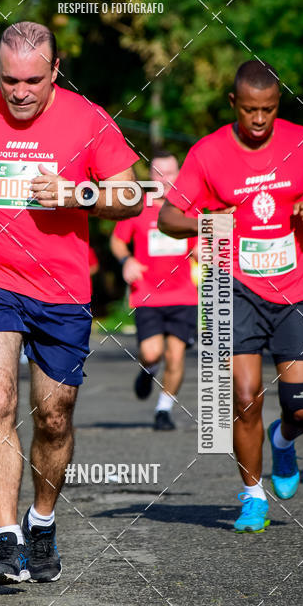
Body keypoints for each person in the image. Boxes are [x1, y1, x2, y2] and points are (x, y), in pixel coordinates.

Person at [0, 21, 141, 585]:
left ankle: (41, 520)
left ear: (55, 71)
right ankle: (7, 542)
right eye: (9, 81)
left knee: (53, 416)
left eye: (32, 80)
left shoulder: (89, 119)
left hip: (61, 289)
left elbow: (131, 194)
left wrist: (78, 193)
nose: (20, 92)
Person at [158, 59, 303, 533]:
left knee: (300, 407)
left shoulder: (300, 143)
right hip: (235, 287)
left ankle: (283, 441)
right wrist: (207, 220)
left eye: (268, 109)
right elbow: (167, 217)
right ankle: (253, 496)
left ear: (278, 104)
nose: (259, 119)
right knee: (245, 398)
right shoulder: (208, 153)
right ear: (233, 104)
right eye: (249, 109)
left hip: (295, 289)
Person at [110, 150, 198, 431]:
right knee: (151, 353)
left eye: (170, 173)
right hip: (147, 295)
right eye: (158, 173)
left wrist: (204, 250)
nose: (165, 179)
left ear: (179, 175)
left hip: (184, 295)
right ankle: (149, 370)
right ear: (150, 176)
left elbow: (203, 242)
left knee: (176, 355)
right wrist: (126, 260)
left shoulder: (190, 208)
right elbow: (117, 241)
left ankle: (163, 410)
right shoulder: (138, 207)